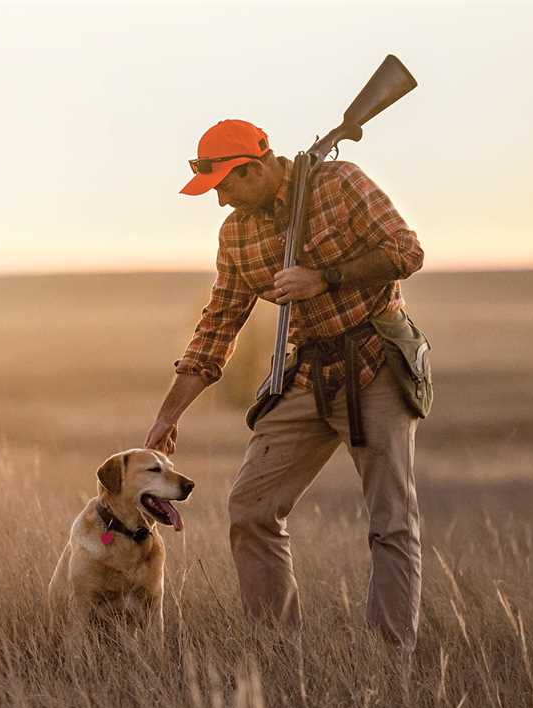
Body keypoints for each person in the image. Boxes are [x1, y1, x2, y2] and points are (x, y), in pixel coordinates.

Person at [144, 119, 429, 652]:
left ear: (253, 168)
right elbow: (218, 325)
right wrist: (168, 416)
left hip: (375, 362)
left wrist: (327, 277)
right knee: (250, 508)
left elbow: (406, 253)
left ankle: (390, 664)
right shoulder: (236, 233)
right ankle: (278, 652)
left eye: (225, 187)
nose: (221, 201)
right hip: (306, 373)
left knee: (391, 523)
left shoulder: (339, 183)